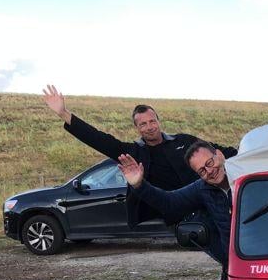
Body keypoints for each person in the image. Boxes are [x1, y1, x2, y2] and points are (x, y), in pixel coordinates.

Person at [116, 142, 267, 280]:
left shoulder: (253, 176)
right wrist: (139, 184)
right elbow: (169, 202)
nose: (210, 171)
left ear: (219, 155)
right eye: (202, 171)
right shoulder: (202, 189)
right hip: (235, 266)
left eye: (210, 163)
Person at [42, 84, 236, 227]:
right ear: (137, 128)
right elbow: (98, 139)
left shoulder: (183, 141)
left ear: (158, 121)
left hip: (197, 204)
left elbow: (219, 151)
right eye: (143, 124)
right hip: (168, 210)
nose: (150, 127)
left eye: (152, 121)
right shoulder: (133, 152)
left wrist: (252, 153)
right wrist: (64, 113)